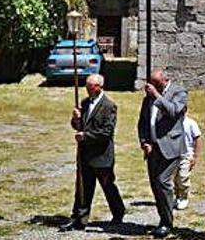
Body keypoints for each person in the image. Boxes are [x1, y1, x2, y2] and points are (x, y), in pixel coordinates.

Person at [60, 74, 125, 232]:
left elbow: (106, 132)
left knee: (107, 186)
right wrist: (76, 119)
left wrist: (86, 136)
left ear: (99, 86)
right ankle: (79, 219)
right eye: (86, 87)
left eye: (91, 87)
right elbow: (79, 126)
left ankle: (118, 212)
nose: (88, 90)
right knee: (83, 188)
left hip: (102, 155)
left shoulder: (109, 106)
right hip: (85, 154)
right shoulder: (84, 103)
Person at [137, 69, 188, 238]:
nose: (150, 86)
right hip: (153, 147)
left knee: (162, 181)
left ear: (164, 81)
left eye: (155, 83)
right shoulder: (148, 97)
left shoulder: (178, 92)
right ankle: (163, 219)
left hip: (171, 146)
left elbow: (174, 111)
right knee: (155, 185)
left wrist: (157, 96)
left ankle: (167, 223)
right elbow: (143, 121)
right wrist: (144, 141)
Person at [173, 107, 202, 210]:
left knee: (183, 176)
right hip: (174, 155)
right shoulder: (172, 123)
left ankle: (184, 196)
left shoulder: (190, 123)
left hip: (186, 155)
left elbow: (197, 139)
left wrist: (195, 156)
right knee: (175, 178)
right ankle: (177, 196)